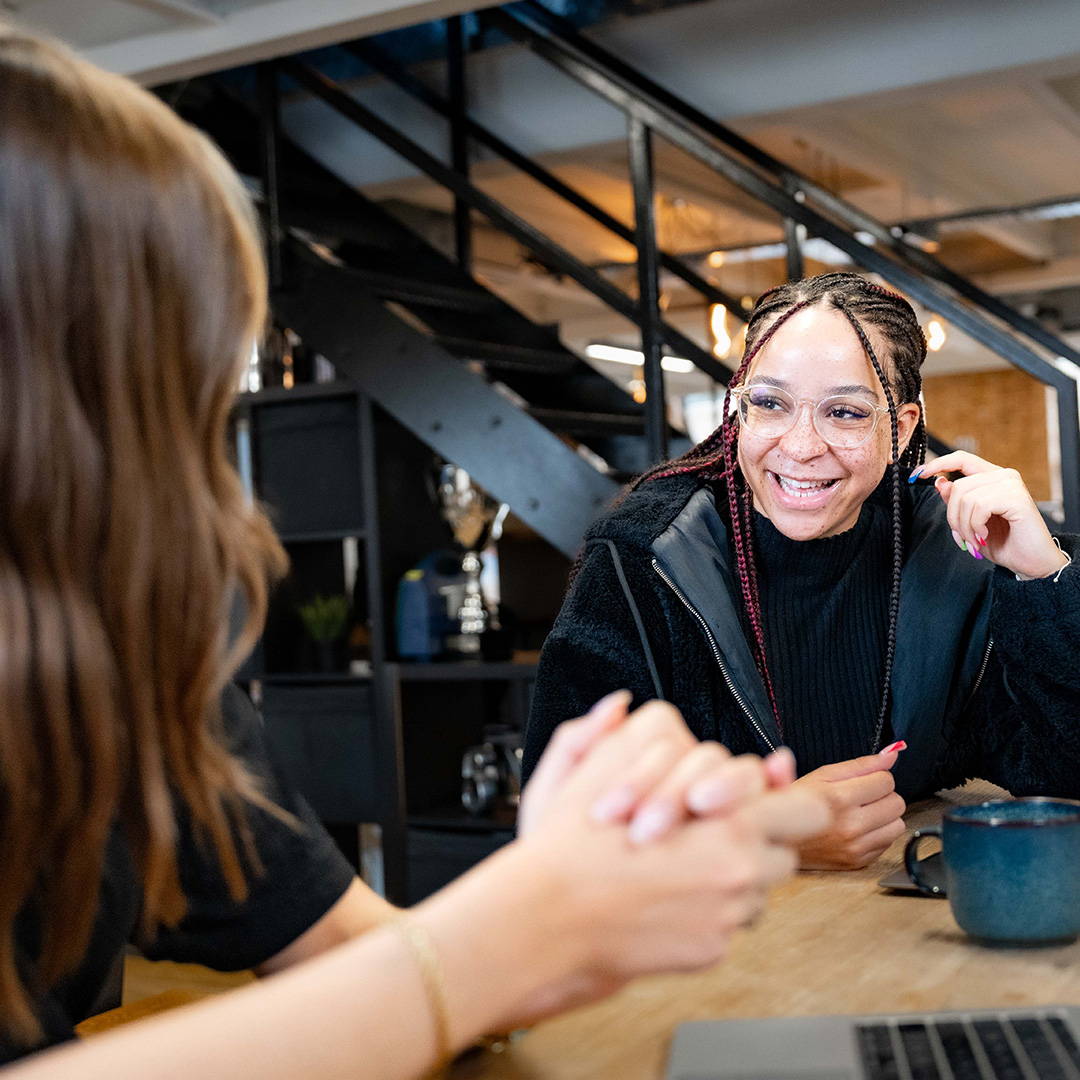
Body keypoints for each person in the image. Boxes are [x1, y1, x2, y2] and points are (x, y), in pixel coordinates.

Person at [0, 25, 834, 1079]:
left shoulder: (124, 668)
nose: (205, 478)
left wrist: (577, 878)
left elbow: (346, 953)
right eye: (179, 399)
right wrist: (514, 929)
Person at [524, 271, 1080, 871]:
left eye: (844, 412)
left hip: (892, 933)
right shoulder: (645, 556)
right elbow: (562, 822)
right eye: (769, 403)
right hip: (709, 942)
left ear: (903, 428)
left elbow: (1064, 779)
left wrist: (1042, 578)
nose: (802, 445)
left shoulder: (955, 552)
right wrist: (766, 830)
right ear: (737, 409)